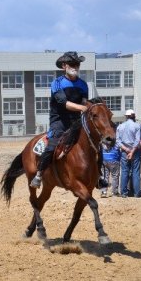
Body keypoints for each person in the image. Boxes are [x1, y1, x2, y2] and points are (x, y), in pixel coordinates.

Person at [30, 51, 90, 188]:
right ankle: (39, 174)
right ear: (64, 66)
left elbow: (85, 102)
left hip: (76, 121)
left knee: (94, 144)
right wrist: (82, 108)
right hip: (59, 121)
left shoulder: (83, 85)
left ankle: (99, 177)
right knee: (52, 146)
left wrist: (87, 108)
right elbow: (64, 103)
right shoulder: (57, 83)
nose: (75, 66)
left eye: (77, 64)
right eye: (72, 64)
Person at [116, 109, 141, 198]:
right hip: (135, 151)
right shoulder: (137, 126)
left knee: (124, 171)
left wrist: (126, 150)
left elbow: (118, 141)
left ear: (126, 116)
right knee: (136, 172)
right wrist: (132, 151)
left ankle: (123, 193)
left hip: (124, 151)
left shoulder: (120, 126)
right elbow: (137, 140)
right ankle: (137, 193)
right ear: (133, 116)